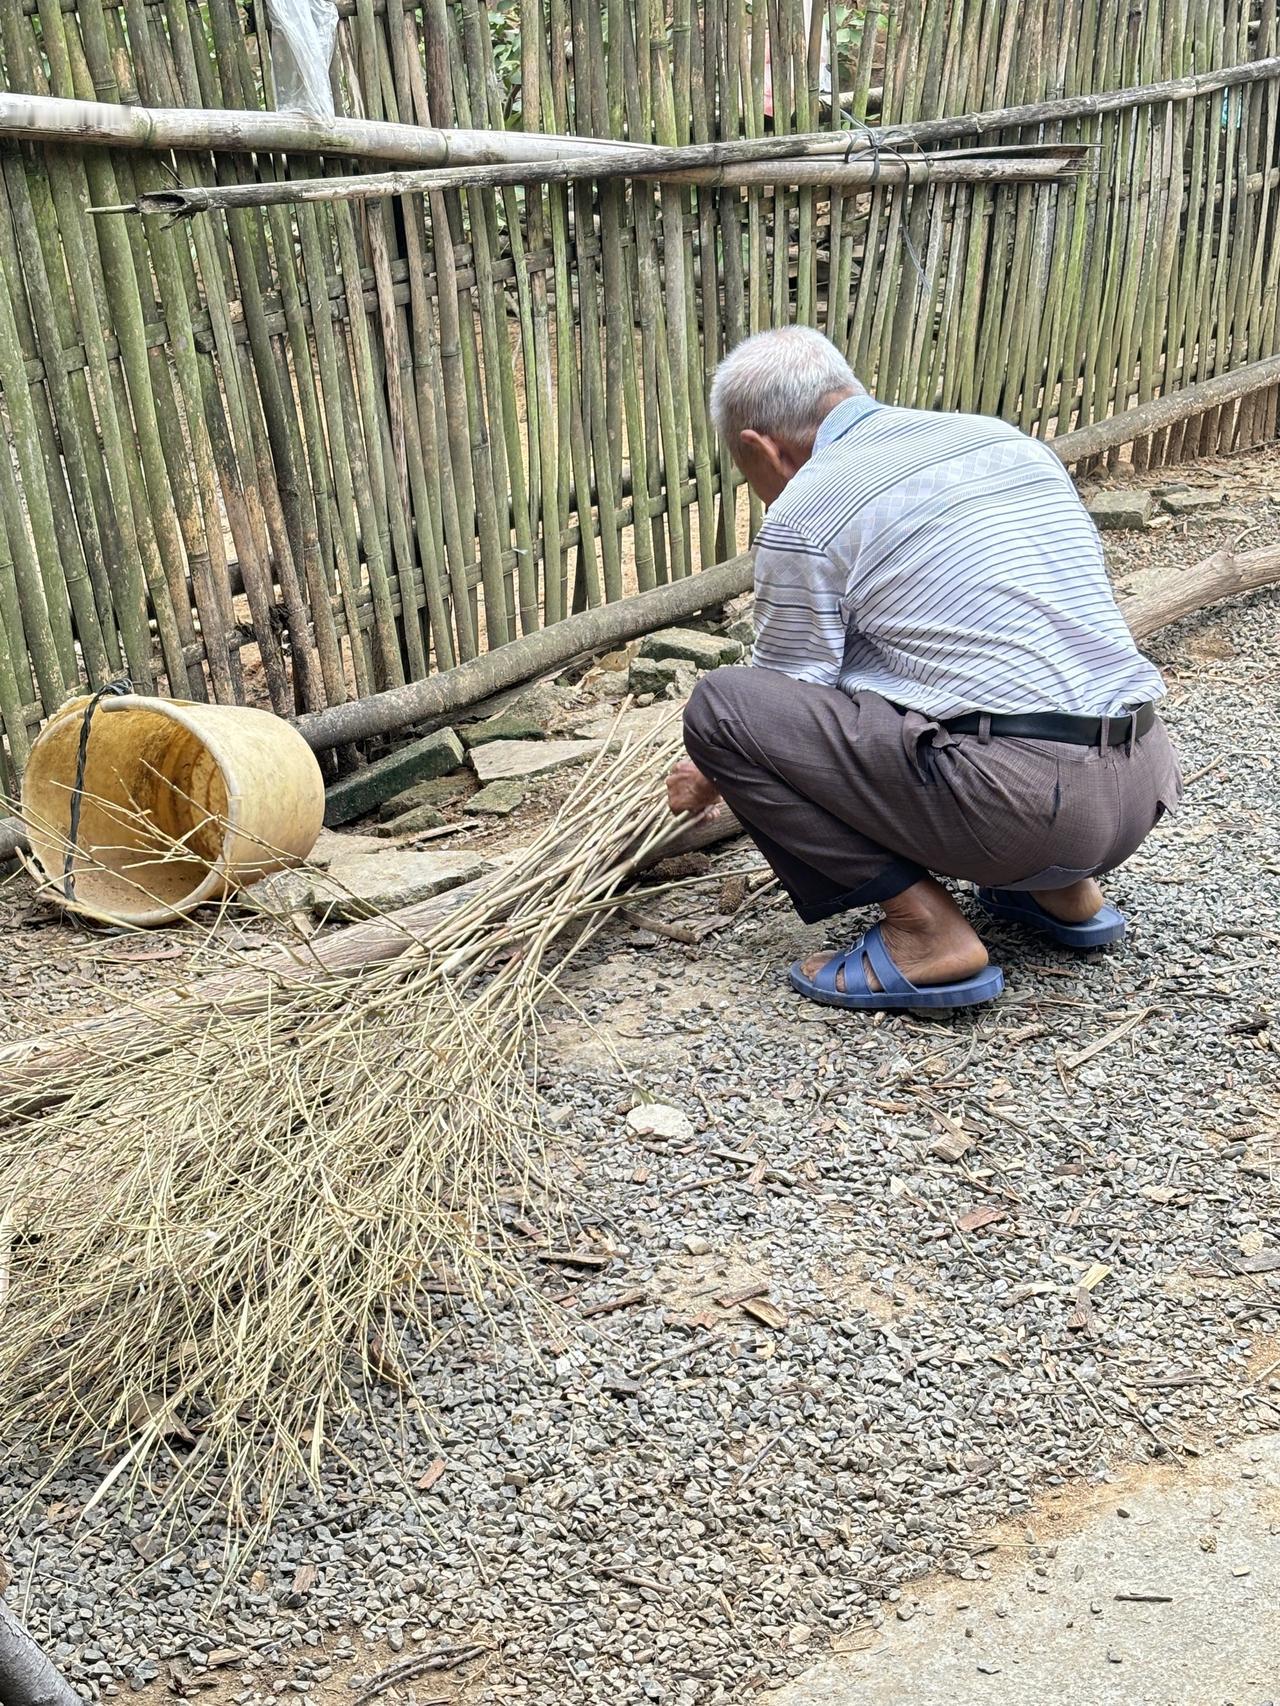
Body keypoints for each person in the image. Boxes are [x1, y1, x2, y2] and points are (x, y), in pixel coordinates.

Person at [667, 326, 1182, 1012]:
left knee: (720, 708)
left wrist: (709, 764)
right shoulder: (1000, 439)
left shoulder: (808, 504)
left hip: (1027, 810)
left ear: (760, 446)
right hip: (1142, 783)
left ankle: (925, 933)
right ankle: (1062, 890)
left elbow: (784, 694)